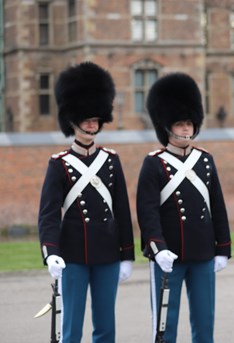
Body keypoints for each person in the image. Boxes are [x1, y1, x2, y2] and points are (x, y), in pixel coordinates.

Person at [38, 61, 134, 342]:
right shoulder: (59, 164)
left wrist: (126, 254)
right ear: (73, 120)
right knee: (72, 325)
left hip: (107, 254)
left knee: (105, 326)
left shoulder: (111, 160)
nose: (92, 124)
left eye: (96, 119)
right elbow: (48, 214)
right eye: (86, 119)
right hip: (73, 255)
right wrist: (50, 251)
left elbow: (122, 211)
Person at [137, 73, 231, 343]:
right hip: (169, 256)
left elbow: (217, 205)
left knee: (204, 323)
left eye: (189, 123)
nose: (186, 129)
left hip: (202, 253)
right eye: (180, 124)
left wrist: (222, 248)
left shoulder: (204, 160)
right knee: (166, 326)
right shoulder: (154, 163)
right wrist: (157, 247)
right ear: (166, 127)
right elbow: (148, 211)